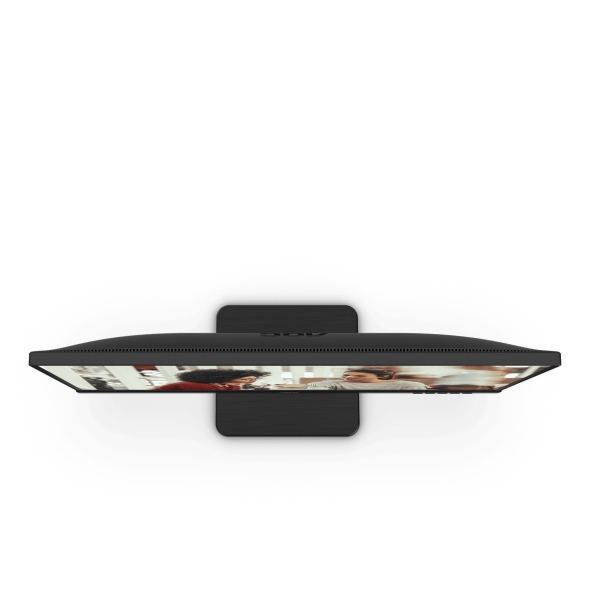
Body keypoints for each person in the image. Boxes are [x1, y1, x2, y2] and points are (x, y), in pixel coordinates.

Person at [306, 367, 427, 391]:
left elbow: (418, 388)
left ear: (378, 376)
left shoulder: (402, 384)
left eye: (360, 376)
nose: (351, 378)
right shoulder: (338, 383)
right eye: (347, 376)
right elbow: (313, 386)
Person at [154, 368, 271, 391]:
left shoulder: (230, 386)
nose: (251, 381)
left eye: (253, 380)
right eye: (248, 379)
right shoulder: (194, 385)